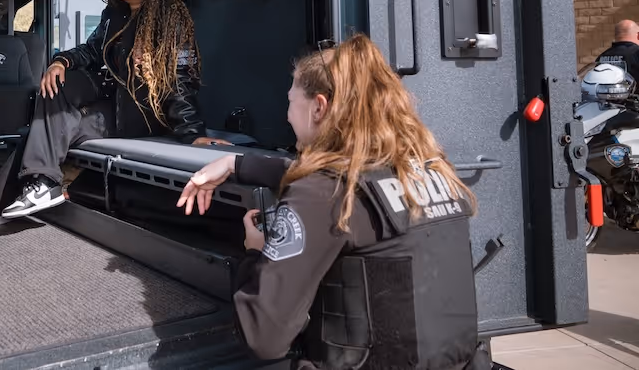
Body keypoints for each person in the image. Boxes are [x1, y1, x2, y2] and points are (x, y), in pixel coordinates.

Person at [177, 34, 488, 370]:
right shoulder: (431, 168)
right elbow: (339, 182)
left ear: (319, 107)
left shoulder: (321, 191)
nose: (286, 116)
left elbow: (263, 335)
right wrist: (235, 163)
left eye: (290, 101)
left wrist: (255, 253)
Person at [0, 0, 229, 221]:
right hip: (112, 108)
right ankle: (36, 187)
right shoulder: (113, 16)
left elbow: (180, 81)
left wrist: (193, 132)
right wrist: (61, 61)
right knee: (51, 117)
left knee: (48, 128)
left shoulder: (170, 24)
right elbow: (90, 51)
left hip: (142, 116)